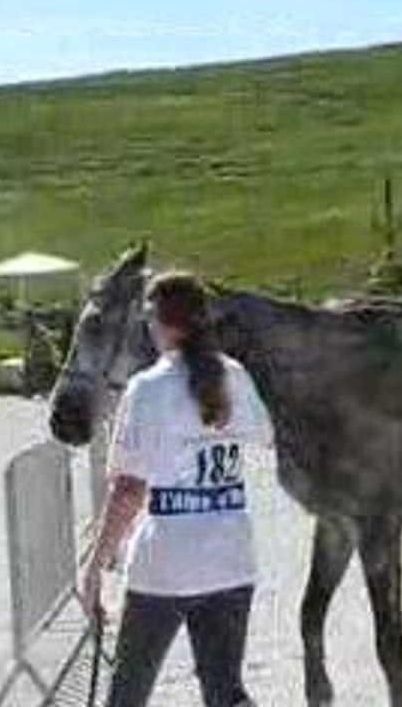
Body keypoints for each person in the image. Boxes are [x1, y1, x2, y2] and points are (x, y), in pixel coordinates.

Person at [82, 271, 273, 707]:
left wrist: (95, 567)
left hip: (165, 563)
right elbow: (265, 436)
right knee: (225, 692)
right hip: (231, 557)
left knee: (128, 692)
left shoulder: (147, 389)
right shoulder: (235, 376)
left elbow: (129, 490)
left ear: (158, 320)